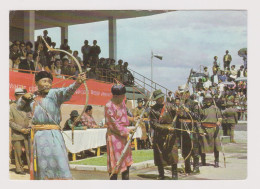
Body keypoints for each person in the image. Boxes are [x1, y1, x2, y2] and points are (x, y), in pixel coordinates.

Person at [17, 71, 86, 180]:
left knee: (60, 163)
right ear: (36, 82)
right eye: (44, 81)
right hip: (39, 137)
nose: (47, 84)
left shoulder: (55, 93)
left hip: (54, 135)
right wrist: (24, 98)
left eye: (49, 81)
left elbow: (68, 91)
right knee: (42, 166)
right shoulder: (32, 97)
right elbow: (19, 107)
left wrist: (77, 83)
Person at [105, 84, 135, 180]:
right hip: (114, 137)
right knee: (116, 164)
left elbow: (124, 118)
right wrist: (127, 130)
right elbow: (114, 124)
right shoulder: (109, 106)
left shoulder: (122, 103)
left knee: (126, 163)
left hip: (124, 137)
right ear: (116, 96)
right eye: (122, 96)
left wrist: (132, 120)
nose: (124, 97)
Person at [149, 89, 179, 180]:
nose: (161, 99)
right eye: (159, 98)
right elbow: (153, 124)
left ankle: (174, 174)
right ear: (156, 99)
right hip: (159, 134)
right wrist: (165, 128)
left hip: (171, 134)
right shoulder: (153, 110)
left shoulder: (170, 106)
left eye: (162, 97)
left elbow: (179, 115)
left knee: (173, 154)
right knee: (159, 155)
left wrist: (179, 110)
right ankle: (161, 174)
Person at [177, 95, 202, 174]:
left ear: (187, 93)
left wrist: (189, 111)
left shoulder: (193, 104)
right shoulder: (180, 104)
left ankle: (196, 167)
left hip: (192, 130)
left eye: (184, 93)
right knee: (185, 150)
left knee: (194, 149)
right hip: (182, 130)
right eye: (181, 93)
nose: (182, 95)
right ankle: (187, 167)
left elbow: (197, 117)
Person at [9, 88, 31, 175]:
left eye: (23, 96)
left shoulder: (27, 106)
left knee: (29, 152)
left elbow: (31, 118)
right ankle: (19, 168)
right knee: (18, 153)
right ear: (15, 96)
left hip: (28, 133)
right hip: (17, 133)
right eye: (20, 96)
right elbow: (9, 121)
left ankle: (31, 168)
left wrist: (29, 127)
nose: (22, 98)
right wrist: (20, 129)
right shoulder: (11, 107)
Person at [199, 94, 222, 168]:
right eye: (206, 99)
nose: (208, 100)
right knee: (203, 146)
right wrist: (200, 130)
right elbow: (199, 121)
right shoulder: (202, 109)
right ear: (204, 100)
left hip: (214, 129)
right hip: (204, 129)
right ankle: (203, 161)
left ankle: (216, 161)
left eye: (209, 99)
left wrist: (219, 121)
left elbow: (220, 117)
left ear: (211, 100)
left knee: (216, 146)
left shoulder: (216, 108)